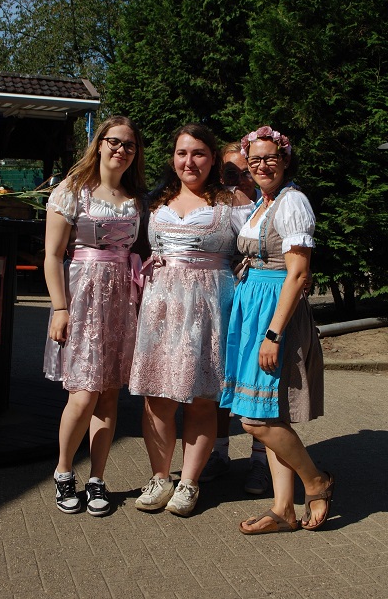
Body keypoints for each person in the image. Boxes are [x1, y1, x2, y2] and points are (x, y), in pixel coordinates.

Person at [129, 123, 252, 517]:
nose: (189, 161)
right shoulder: (154, 200)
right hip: (161, 307)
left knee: (201, 398)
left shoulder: (232, 203)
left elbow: (264, 240)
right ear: (173, 158)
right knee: (157, 397)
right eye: (182, 153)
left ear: (213, 158)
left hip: (209, 307)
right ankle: (161, 477)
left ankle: (189, 483)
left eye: (198, 153)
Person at [220, 125, 334, 534]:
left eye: (271, 157)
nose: (262, 165)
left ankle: (315, 481)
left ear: (285, 159)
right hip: (254, 307)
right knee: (268, 413)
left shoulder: (293, 202)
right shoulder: (262, 204)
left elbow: (299, 273)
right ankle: (284, 508)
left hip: (274, 312)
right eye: (255, 160)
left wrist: (273, 333)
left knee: (255, 420)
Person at [43, 115, 146, 516]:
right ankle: (64, 471)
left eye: (130, 145)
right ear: (100, 144)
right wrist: (59, 306)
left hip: (122, 298)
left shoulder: (136, 198)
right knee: (83, 393)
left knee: (109, 394)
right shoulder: (72, 191)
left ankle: (97, 478)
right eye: (115, 142)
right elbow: (53, 254)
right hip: (82, 295)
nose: (121, 150)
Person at [199, 142, 269, 496]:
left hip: (256, 301)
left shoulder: (269, 202)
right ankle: (220, 453)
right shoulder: (213, 201)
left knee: (257, 379)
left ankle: (260, 461)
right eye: (231, 172)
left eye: (246, 171)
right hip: (220, 297)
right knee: (217, 378)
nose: (240, 178)